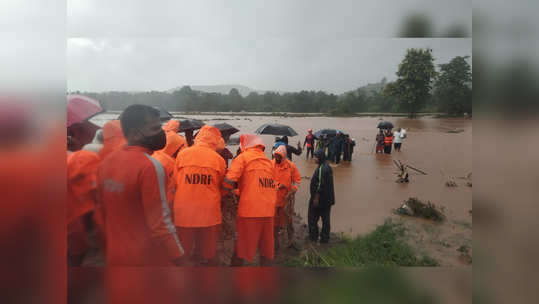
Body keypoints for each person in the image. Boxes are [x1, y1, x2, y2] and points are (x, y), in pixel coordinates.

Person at [96, 104, 184, 266]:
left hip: (115, 255)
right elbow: (161, 224)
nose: (161, 133)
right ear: (135, 133)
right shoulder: (150, 167)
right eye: (155, 128)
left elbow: (100, 214)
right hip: (145, 258)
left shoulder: (106, 162)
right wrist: (180, 259)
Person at [173, 126, 226, 266]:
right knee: (209, 253)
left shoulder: (183, 154)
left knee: (183, 252)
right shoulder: (219, 160)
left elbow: (175, 181)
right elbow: (221, 184)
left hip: (184, 212)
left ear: (198, 137)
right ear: (216, 141)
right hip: (208, 213)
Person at [222, 134, 277, 266]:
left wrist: (224, 193)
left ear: (244, 145)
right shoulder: (268, 162)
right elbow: (258, 186)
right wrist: (238, 191)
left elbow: (229, 181)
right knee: (266, 250)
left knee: (241, 248)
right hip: (269, 212)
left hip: (250, 212)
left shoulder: (243, 158)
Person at [272, 145, 301, 250]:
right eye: (276, 156)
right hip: (274, 200)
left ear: (284, 156)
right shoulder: (271, 165)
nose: (277, 158)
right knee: (274, 223)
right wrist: (277, 185)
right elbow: (265, 180)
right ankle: (276, 243)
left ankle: (291, 240)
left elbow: (297, 180)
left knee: (289, 221)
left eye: (279, 156)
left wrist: (292, 190)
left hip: (287, 200)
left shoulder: (291, 166)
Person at [308, 149, 335, 243]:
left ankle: (313, 237)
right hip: (328, 199)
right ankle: (325, 238)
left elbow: (320, 185)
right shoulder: (327, 167)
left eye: (315, 156)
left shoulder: (321, 168)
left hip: (320, 200)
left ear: (320, 157)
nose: (314, 158)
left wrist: (316, 198)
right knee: (326, 219)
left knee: (312, 218)